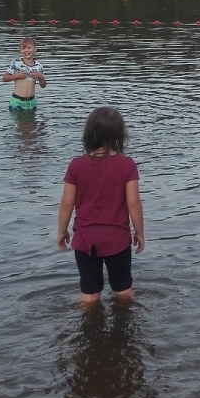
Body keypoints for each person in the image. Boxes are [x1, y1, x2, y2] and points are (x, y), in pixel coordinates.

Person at [57, 106, 145, 305]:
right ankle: (125, 323)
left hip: (85, 239)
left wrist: (62, 231)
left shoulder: (76, 165)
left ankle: (88, 324)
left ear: (89, 133)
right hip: (117, 238)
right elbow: (133, 202)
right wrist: (139, 233)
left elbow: (67, 203)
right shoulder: (127, 165)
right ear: (119, 135)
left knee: (89, 293)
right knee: (123, 290)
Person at [2, 37, 46, 111]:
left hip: (31, 102)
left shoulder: (38, 66)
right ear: (20, 50)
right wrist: (17, 76)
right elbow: (4, 78)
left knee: (31, 119)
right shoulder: (16, 63)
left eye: (29, 47)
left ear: (35, 49)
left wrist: (40, 76)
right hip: (17, 101)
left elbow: (43, 85)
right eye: (23, 48)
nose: (26, 50)